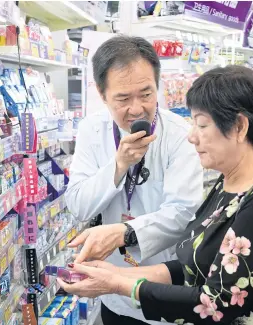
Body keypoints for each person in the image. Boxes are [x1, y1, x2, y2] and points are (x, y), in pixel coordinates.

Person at [59, 65, 253, 325]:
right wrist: (117, 275)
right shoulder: (230, 182)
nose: (191, 137)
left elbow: (216, 305)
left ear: (240, 127)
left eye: (201, 124)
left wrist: (119, 284)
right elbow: (194, 266)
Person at [64, 35, 203, 325]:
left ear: (158, 86)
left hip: (165, 287)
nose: (137, 108)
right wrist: (119, 164)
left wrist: (123, 233)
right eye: (123, 99)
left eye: (146, 93)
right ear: (102, 96)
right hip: (112, 287)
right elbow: (78, 204)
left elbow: (182, 213)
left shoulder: (180, 135)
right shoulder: (92, 129)